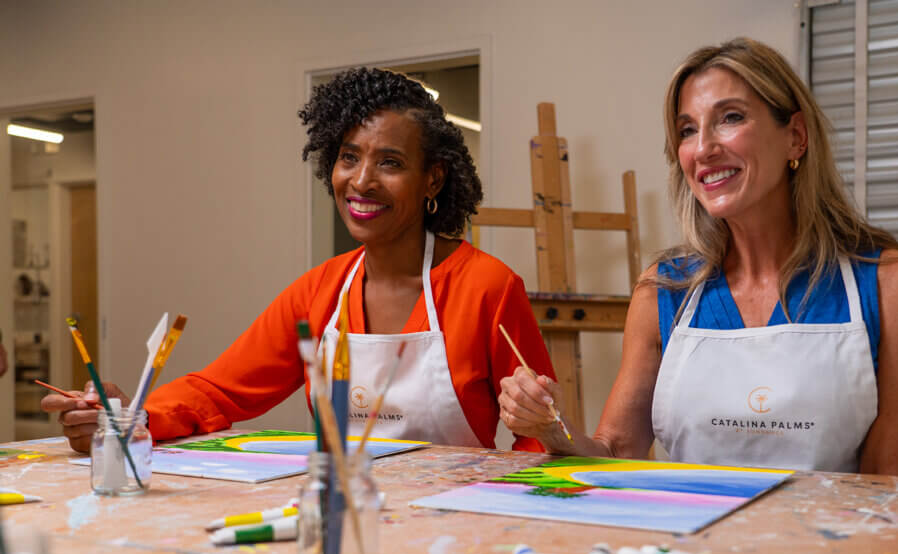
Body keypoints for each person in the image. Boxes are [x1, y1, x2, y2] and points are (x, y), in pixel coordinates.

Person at [43, 67, 555, 454]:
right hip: (340, 520)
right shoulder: (319, 292)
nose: (361, 181)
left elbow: (538, 437)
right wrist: (129, 417)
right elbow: (218, 391)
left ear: (433, 180)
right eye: (349, 157)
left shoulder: (487, 286)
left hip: (453, 530)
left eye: (391, 163)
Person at [499, 38, 898, 476]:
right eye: (688, 129)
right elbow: (614, 455)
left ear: (796, 138)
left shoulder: (891, 283)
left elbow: (889, 489)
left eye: (730, 118)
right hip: (690, 543)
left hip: (834, 543)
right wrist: (557, 432)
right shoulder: (662, 291)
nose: (703, 148)